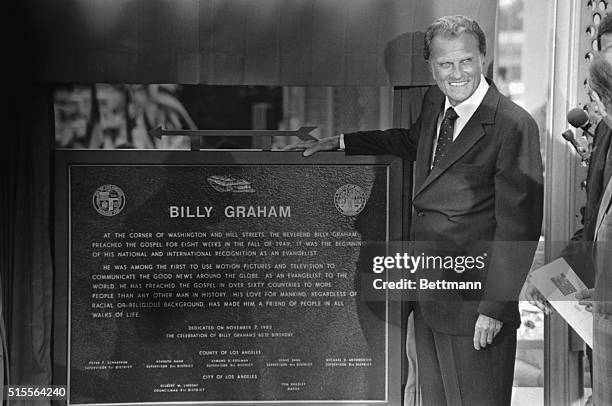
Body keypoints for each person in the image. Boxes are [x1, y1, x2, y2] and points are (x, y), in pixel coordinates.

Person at [286, 15, 543, 405]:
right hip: (428, 299)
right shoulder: (435, 102)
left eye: (466, 61)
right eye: (445, 64)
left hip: (475, 309)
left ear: (484, 58)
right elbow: (409, 142)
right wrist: (341, 142)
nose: (457, 73)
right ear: (431, 68)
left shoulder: (513, 124)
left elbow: (519, 228)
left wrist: (494, 309)